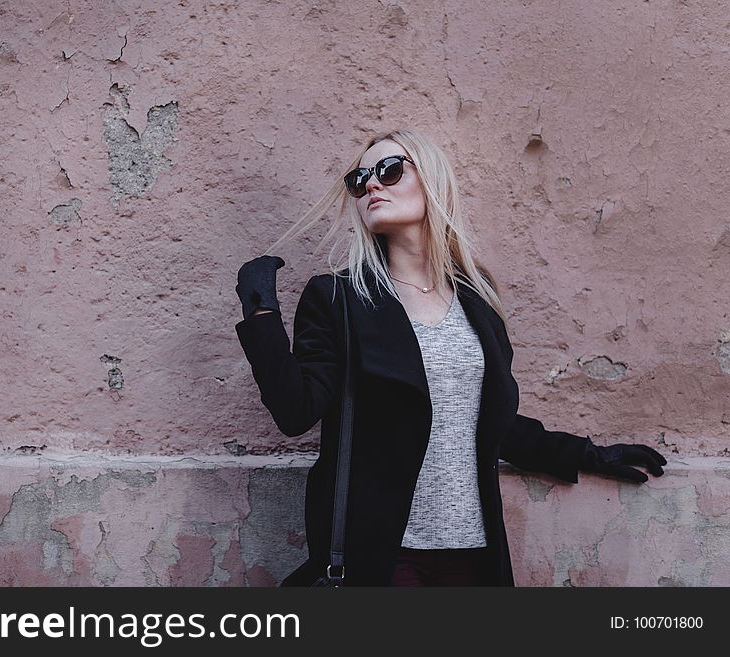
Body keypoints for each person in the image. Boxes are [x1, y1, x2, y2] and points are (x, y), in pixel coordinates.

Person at [234, 128, 666, 587]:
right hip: (386, 555)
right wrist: (261, 311)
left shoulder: (476, 297)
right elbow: (295, 411)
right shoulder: (340, 298)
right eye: (360, 180)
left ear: (432, 181)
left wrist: (589, 454)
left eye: (390, 170)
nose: (372, 185)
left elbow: (489, 420)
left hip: (475, 553)